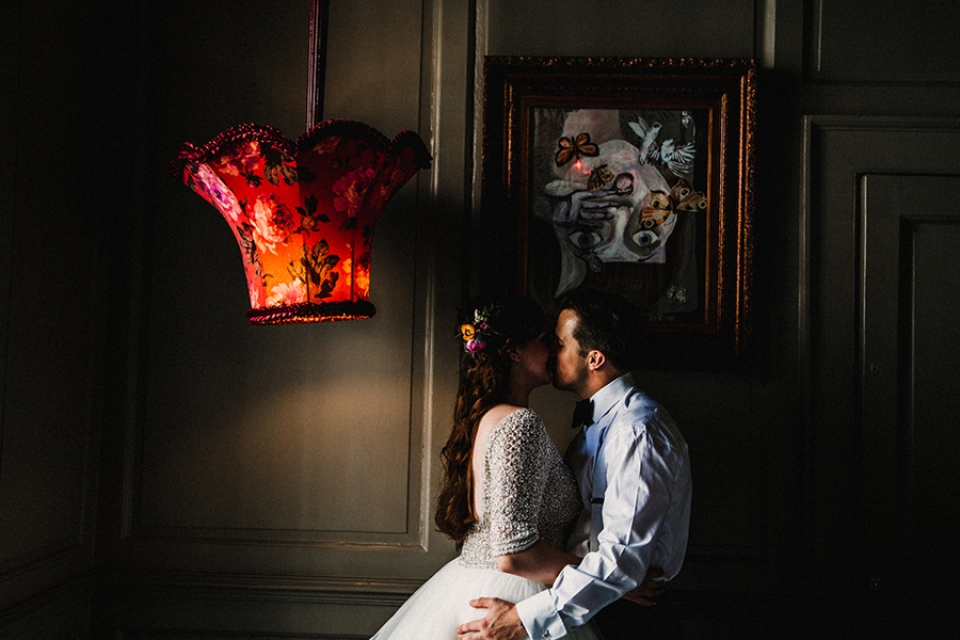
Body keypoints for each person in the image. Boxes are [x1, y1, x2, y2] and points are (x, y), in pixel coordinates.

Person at [370, 294, 660, 640]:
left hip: (477, 584)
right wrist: (613, 583)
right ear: (514, 352)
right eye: (544, 341)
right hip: (512, 595)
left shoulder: (488, 417)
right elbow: (514, 551)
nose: (553, 350)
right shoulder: (518, 423)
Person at [456, 288, 693, 640]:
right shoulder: (594, 425)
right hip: (586, 603)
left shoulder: (638, 431)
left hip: (624, 614)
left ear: (594, 359)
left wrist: (527, 619)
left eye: (560, 343)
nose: (552, 352)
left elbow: (623, 560)